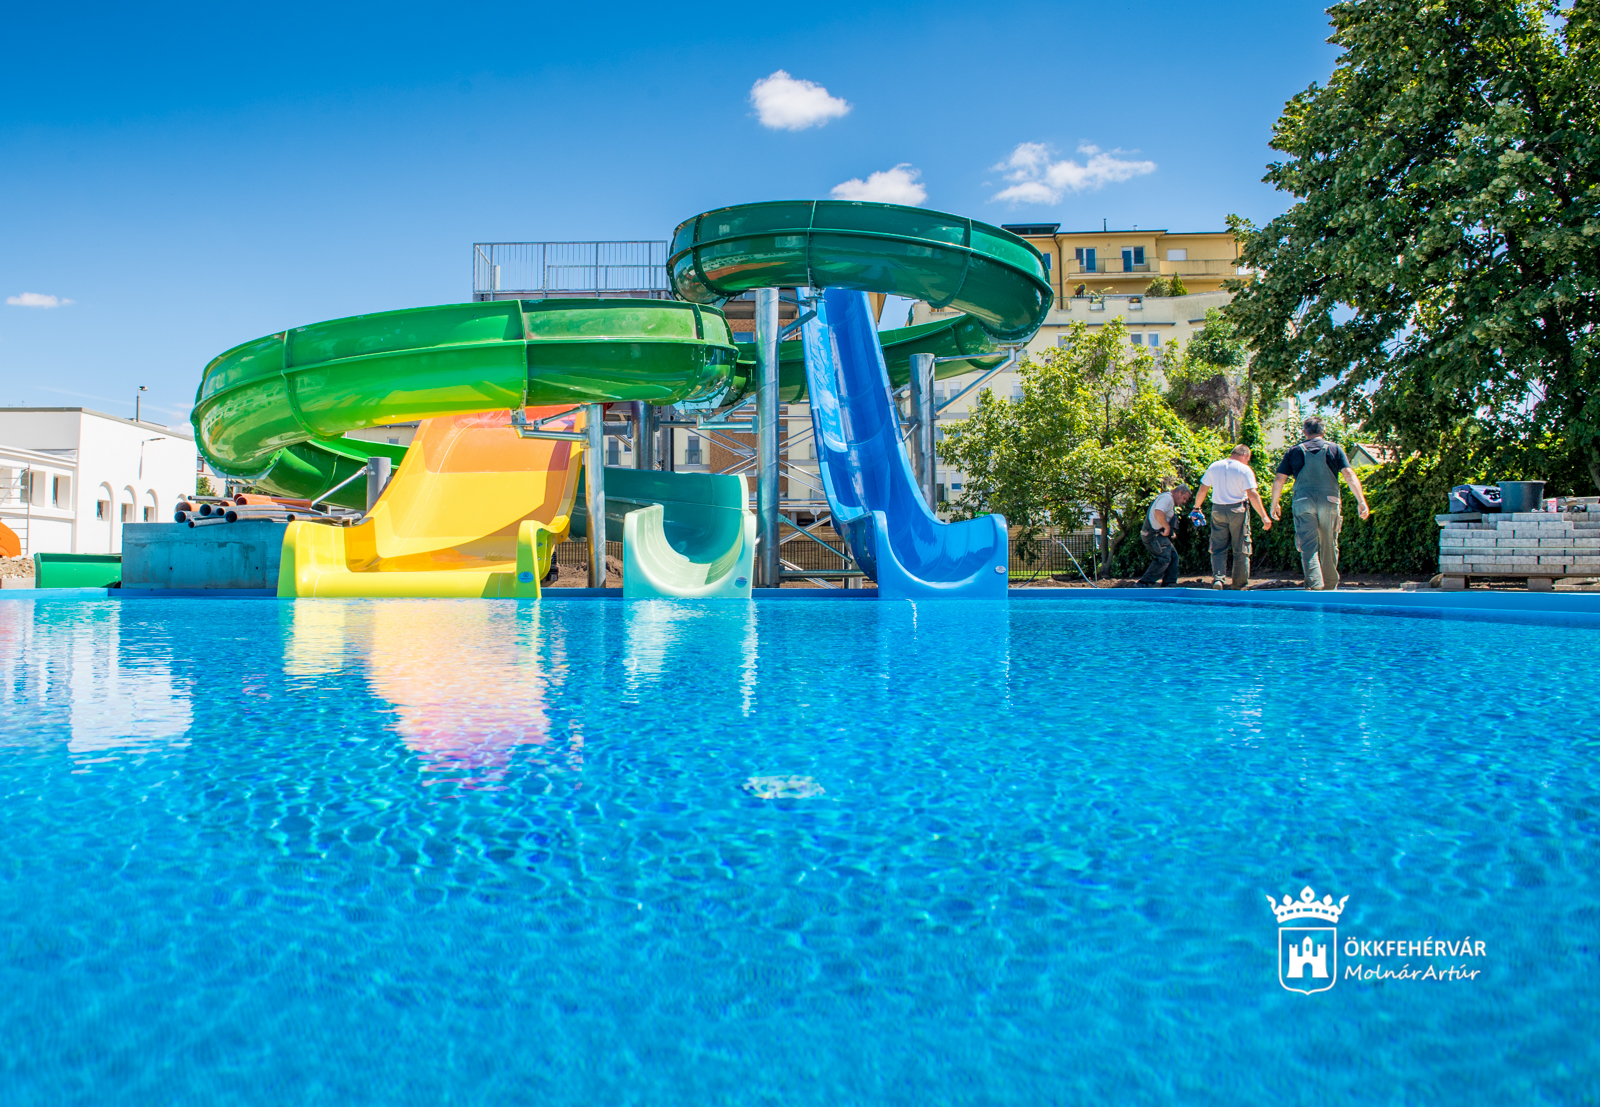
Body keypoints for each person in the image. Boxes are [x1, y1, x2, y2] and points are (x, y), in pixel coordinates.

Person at [1270, 418, 1370, 590]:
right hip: (1330, 502)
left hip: (1303, 502)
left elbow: (1279, 479)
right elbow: (1348, 474)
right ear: (1324, 431)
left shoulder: (1294, 451)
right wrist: (1361, 501)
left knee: (1308, 546)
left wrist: (1274, 504)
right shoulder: (1335, 449)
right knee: (1330, 544)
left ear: (1304, 431)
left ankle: (1315, 584)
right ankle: (1330, 587)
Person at [1193, 445, 1272, 590]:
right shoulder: (1244, 469)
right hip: (1237, 510)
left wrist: (1196, 508)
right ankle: (1239, 585)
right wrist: (1264, 516)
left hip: (1217, 509)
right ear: (1245, 455)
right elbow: (1252, 494)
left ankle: (1218, 579)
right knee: (1241, 548)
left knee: (1218, 548)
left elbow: (1203, 489)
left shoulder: (1215, 466)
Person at [1137, 483, 1191, 587]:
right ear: (1179, 493)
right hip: (1153, 535)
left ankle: (1169, 583)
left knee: (1173, 556)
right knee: (1164, 558)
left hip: (1157, 535)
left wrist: (1170, 531)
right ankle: (1144, 584)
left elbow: (1163, 517)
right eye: (1184, 498)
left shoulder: (1168, 499)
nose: (1184, 502)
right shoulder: (1167, 498)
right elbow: (1158, 512)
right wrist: (1167, 527)